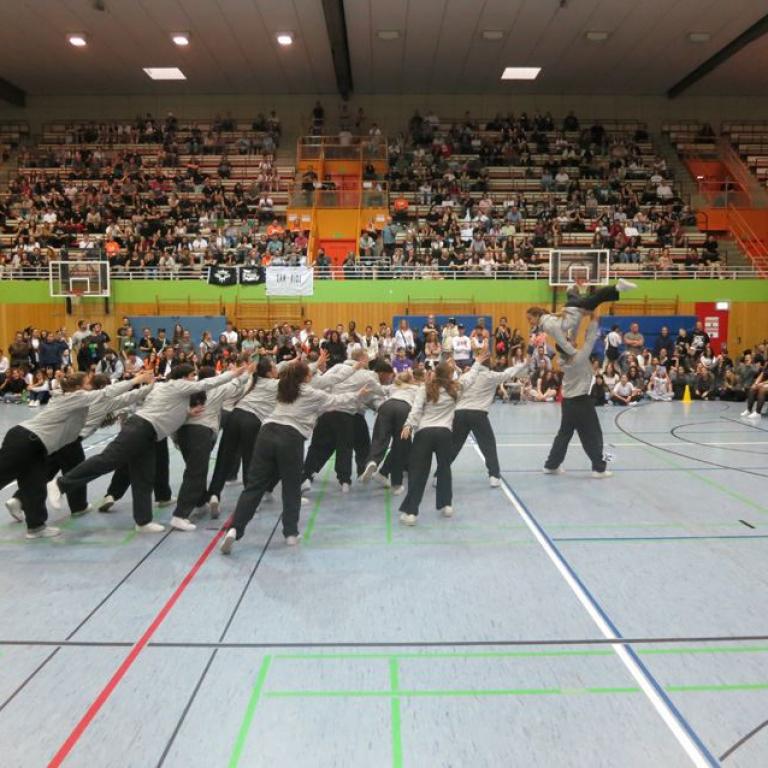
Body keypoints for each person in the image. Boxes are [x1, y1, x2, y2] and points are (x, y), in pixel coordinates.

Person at [48, 364, 248, 532]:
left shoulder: (170, 391)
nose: (193, 379)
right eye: (191, 376)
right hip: (140, 429)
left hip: (150, 434)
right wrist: (234, 373)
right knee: (108, 460)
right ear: (183, 378)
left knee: (144, 476)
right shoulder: (177, 385)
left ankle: (143, 521)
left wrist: (188, 413)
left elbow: (164, 411)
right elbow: (206, 383)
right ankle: (60, 484)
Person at [220, 360, 369, 554]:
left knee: (254, 486)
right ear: (306, 377)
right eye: (310, 373)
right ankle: (290, 533)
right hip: (290, 437)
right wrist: (358, 394)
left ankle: (234, 529)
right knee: (291, 487)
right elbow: (336, 400)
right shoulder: (311, 393)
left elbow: (290, 371)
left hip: (266, 433)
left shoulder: (282, 386)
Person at [0, 372, 142, 538]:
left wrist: (148, 388)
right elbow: (108, 394)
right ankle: (77, 506)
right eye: (88, 382)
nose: (91, 384)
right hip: (25, 440)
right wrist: (137, 380)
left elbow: (118, 400)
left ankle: (36, 527)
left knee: (35, 484)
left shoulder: (85, 398)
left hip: (42, 445)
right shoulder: (76, 396)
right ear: (78, 387)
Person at [398, 353, 487, 525]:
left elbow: (416, 410)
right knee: (444, 469)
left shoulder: (425, 389)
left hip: (424, 434)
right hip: (444, 434)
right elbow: (469, 378)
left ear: (435, 373)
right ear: (450, 375)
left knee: (418, 473)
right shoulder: (455, 389)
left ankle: (411, 513)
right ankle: (447, 505)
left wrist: (408, 425)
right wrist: (477, 363)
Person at [170, 366, 251, 531]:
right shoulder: (214, 389)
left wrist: (175, 438)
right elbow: (235, 384)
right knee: (196, 472)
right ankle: (180, 515)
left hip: (183, 433)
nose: (193, 377)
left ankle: (201, 502)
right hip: (200, 433)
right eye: (191, 375)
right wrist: (247, 372)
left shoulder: (185, 391)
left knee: (195, 469)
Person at [206, 356, 280, 517]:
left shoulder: (254, 379)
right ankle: (249, 500)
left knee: (224, 457)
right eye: (274, 367)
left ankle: (214, 494)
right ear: (269, 373)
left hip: (235, 416)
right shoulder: (275, 385)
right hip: (251, 422)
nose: (277, 369)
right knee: (250, 460)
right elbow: (297, 382)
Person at [447, 349, 527, 487]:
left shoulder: (466, 376)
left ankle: (438, 476)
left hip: (460, 414)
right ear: (489, 363)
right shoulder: (491, 376)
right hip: (478, 414)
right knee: (488, 445)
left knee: (453, 446)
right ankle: (494, 476)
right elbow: (509, 372)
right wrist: (524, 363)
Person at [543, 316, 611, 478]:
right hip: (581, 402)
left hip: (568, 403)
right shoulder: (580, 358)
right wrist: (594, 320)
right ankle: (599, 469)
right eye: (570, 342)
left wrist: (575, 319)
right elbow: (590, 340)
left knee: (564, 434)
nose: (573, 342)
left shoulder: (561, 360)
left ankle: (551, 465)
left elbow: (571, 339)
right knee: (593, 433)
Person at [526, 279, 636, 358]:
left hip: (576, 309)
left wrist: (574, 352)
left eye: (530, 319)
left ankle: (618, 287)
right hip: (571, 306)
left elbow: (564, 339)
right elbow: (555, 317)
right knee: (584, 297)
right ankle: (570, 290)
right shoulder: (546, 320)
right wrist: (561, 313)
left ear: (537, 316)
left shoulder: (549, 327)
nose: (529, 322)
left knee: (597, 298)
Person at [360, 369, 424, 494]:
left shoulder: (393, 386)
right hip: (404, 409)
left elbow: (378, 389)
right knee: (401, 445)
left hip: (386, 407)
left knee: (380, 438)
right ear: (412, 380)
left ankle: (373, 461)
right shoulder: (417, 389)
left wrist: (368, 383)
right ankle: (396, 484)